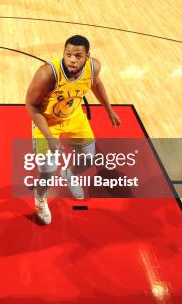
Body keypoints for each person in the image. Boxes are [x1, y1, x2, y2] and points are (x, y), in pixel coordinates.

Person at [25, 35, 122, 224]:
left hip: (74, 117)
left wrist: (108, 109)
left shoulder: (93, 67)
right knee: (48, 170)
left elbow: (96, 83)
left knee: (89, 157)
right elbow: (30, 105)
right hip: (46, 122)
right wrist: (49, 138)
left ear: (87, 56)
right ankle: (40, 197)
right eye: (68, 54)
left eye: (78, 56)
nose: (72, 59)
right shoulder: (47, 74)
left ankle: (69, 173)